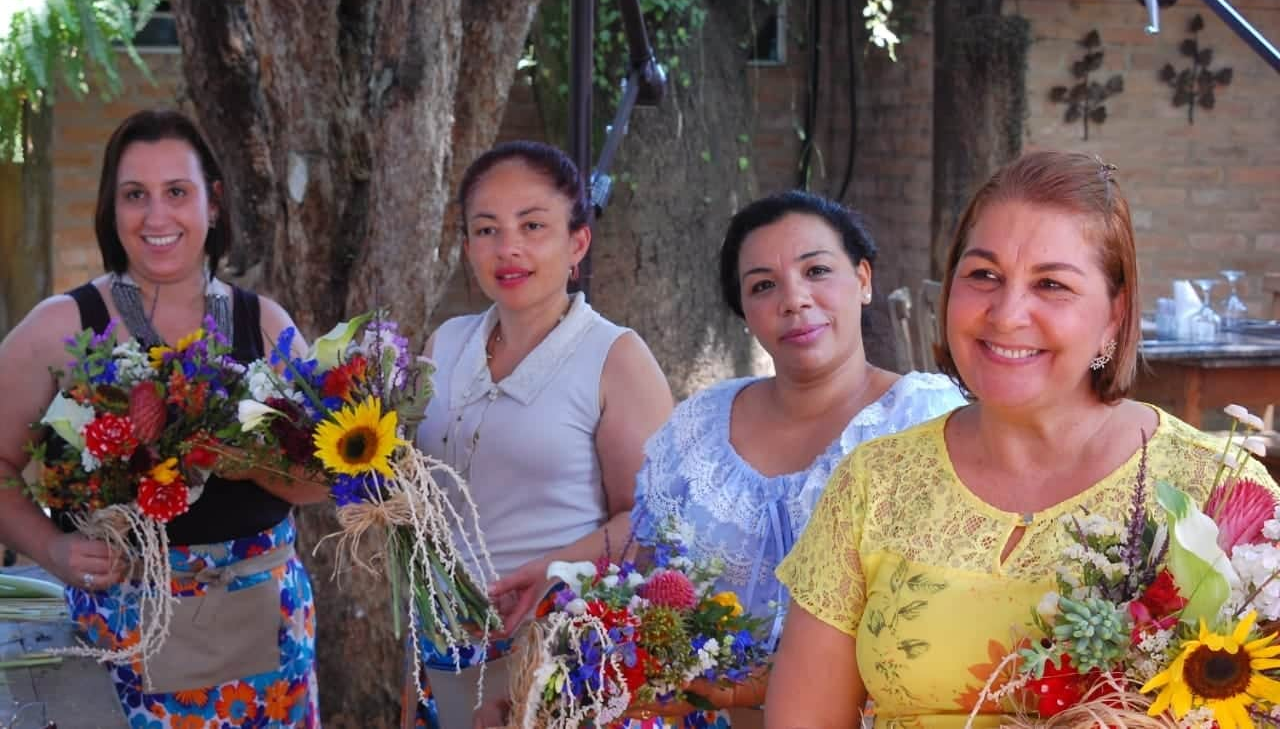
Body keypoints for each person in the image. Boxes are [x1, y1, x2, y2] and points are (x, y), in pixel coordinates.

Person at [767, 152, 1280, 728]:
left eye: (1052, 284)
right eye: (983, 275)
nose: (1007, 314)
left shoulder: (1219, 495)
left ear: (1114, 315)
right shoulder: (874, 482)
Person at [0, 109, 328, 726]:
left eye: (177, 192)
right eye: (135, 195)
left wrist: (242, 458)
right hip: (117, 654)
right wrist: (53, 549)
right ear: (111, 208)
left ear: (214, 204)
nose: (157, 216)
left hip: (266, 655)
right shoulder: (60, 329)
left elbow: (322, 479)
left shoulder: (266, 326)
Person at [626, 191, 966, 729]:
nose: (795, 299)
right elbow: (645, 545)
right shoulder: (701, 426)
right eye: (764, 285)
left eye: (817, 270)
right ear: (744, 313)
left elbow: (942, 618)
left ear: (863, 280)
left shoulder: (926, 420)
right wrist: (554, 578)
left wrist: (742, 691)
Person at [414, 140, 673, 727]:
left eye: (533, 225)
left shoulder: (615, 357)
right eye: (487, 230)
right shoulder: (444, 344)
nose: (509, 248)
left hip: (563, 653)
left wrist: (554, 568)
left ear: (577, 241)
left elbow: (654, 521)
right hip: (447, 651)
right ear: (466, 248)